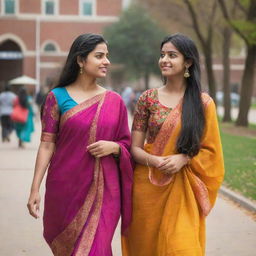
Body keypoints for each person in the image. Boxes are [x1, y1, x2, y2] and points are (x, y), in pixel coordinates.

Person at [27, 33, 133, 256]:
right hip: (65, 187)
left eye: (107, 56)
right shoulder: (56, 98)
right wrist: (35, 188)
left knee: (96, 248)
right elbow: (47, 144)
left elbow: (126, 144)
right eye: (99, 56)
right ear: (80, 60)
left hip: (104, 191)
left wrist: (114, 148)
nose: (107, 61)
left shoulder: (114, 101)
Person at [122, 33, 225, 256]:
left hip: (182, 190)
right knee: (145, 248)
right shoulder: (147, 99)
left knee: (181, 248)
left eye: (172, 55)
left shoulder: (202, 103)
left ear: (188, 62)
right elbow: (135, 148)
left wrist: (184, 157)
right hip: (147, 188)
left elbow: (211, 151)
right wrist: (155, 160)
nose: (164, 60)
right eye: (162, 55)